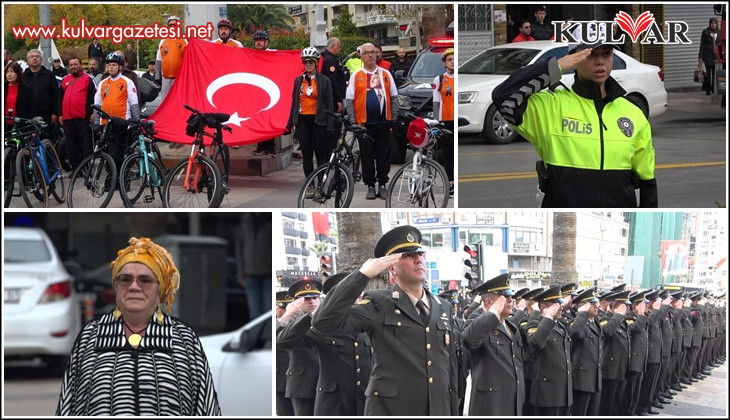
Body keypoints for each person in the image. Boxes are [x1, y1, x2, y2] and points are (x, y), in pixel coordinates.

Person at [493, 25, 658, 207]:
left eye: (607, 53)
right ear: (574, 57)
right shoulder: (551, 106)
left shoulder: (632, 112)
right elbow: (504, 97)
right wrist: (555, 67)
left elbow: (647, 178)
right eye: (592, 54)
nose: (600, 61)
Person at [55, 237, 221, 415]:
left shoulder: (184, 338)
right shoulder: (90, 336)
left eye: (145, 280)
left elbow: (206, 407)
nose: (134, 286)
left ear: (161, 289)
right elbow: (67, 405)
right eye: (125, 279)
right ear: (116, 287)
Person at [312, 225, 459, 416]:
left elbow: (450, 366)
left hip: (438, 409)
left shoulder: (443, 306)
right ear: (392, 267)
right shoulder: (379, 302)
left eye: (420, 254)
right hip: (393, 409)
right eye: (407, 255)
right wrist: (362, 275)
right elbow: (324, 321)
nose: (418, 259)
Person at [277, 273, 372, 416]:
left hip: (361, 396)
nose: (312, 302)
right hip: (323, 395)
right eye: (350, 293)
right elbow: (283, 341)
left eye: (315, 297)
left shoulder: (369, 322)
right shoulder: (317, 327)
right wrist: (309, 317)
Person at [462, 273, 524, 416]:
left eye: (510, 296)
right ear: (489, 302)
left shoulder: (512, 328)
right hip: (490, 407)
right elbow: (468, 338)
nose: (510, 300)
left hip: (513, 404)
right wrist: (493, 312)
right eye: (504, 296)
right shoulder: (480, 324)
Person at [345, 42, 399, 200]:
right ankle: (370, 185)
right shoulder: (356, 76)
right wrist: (353, 122)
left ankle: (382, 184)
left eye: (373, 52)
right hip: (364, 124)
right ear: (361, 56)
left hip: (383, 123)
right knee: (367, 156)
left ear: (377, 54)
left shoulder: (385, 74)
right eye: (366, 53)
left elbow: (394, 97)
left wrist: (394, 118)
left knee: (384, 155)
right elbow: (349, 100)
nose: (370, 55)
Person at [286, 47, 334, 181]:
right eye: (305, 62)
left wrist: (330, 126)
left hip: (319, 121)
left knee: (320, 155)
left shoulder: (324, 80)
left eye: (311, 62)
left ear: (316, 63)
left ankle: (321, 184)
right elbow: (294, 103)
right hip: (302, 121)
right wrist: (290, 123)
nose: (308, 65)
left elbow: (330, 104)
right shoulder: (298, 81)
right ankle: (310, 185)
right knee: (306, 155)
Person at [524, 284, 572, 416]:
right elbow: (537, 342)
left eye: (560, 304)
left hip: (564, 392)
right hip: (547, 395)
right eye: (556, 305)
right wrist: (548, 316)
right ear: (543, 307)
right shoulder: (534, 324)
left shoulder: (561, 326)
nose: (561, 308)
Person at [277, 278, 322, 416]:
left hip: (329, 382)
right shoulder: (289, 323)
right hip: (304, 385)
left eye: (315, 297)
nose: (312, 301)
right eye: (306, 298)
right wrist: (287, 315)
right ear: (296, 302)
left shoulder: (328, 320)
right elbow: (278, 339)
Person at [94, 52, 140, 173]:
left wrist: (136, 120)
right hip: (106, 124)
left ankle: (124, 182)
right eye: (109, 65)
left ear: (120, 67)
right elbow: (97, 104)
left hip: (122, 123)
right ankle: (111, 184)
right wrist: (96, 123)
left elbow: (134, 103)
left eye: (114, 65)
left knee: (121, 154)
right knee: (108, 154)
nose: (111, 67)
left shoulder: (127, 82)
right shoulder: (103, 83)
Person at [568, 288, 604, 416]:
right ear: (584, 306)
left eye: (596, 304)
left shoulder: (595, 323)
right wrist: (581, 313)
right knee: (580, 413)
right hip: (582, 380)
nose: (596, 306)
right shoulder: (576, 323)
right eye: (592, 304)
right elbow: (576, 333)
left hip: (595, 379)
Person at [59, 57, 96, 170]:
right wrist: (60, 114)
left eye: (75, 64)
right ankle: (75, 169)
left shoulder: (88, 79)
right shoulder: (65, 80)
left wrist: (93, 113)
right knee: (71, 144)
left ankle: (86, 168)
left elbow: (94, 97)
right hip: (68, 118)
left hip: (83, 117)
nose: (73, 67)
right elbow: (60, 98)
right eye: (71, 65)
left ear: (80, 65)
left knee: (85, 144)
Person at [234, 213, 272, 321]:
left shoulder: (270, 221)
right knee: (254, 311)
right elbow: (239, 249)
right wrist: (240, 273)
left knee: (268, 310)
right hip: (249, 274)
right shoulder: (245, 221)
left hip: (268, 274)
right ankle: (258, 337)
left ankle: (268, 337)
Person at [598, 289, 630, 416]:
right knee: (608, 402)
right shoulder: (605, 318)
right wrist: (618, 315)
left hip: (621, 368)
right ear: (615, 306)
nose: (626, 308)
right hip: (610, 369)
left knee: (617, 401)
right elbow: (607, 331)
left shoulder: (620, 320)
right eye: (623, 306)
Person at [251, 30, 278, 156]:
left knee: (269, 120)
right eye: (256, 41)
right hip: (256, 92)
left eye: (261, 40)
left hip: (271, 91)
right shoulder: (250, 54)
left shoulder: (273, 54)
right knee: (258, 119)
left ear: (266, 42)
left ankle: (271, 147)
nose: (258, 43)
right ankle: (260, 146)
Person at [432, 47, 455, 197]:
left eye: (454, 59)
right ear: (444, 63)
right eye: (449, 59)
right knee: (448, 154)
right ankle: (450, 182)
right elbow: (436, 102)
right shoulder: (439, 79)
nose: (452, 62)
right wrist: (436, 123)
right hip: (445, 121)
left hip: (457, 120)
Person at [23, 49, 59, 137]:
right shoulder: (23, 76)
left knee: (46, 140)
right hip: (27, 115)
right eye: (32, 57)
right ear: (28, 60)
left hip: (46, 115)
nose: (35, 58)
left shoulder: (49, 75)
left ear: (41, 60)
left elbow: (56, 95)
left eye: (37, 56)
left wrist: (55, 113)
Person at [320, 37, 347, 151]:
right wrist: (338, 100)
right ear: (333, 46)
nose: (339, 49)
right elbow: (333, 82)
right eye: (339, 46)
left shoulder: (325, 57)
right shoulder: (330, 60)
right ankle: (333, 151)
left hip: (328, 99)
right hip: (332, 100)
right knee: (335, 126)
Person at [155, 16, 187, 104]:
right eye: (170, 25)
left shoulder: (184, 41)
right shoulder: (163, 41)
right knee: (165, 103)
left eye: (174, 24)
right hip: (166, 78)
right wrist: (157, 77)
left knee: (179, 102)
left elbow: (189, 61)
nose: (172, 26)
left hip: (179, 78)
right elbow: (158, 60)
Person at [275, 291, 295, 416]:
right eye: (282, 307)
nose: (286, 311)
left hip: (300, 379)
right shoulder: (275, 324)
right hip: (280, 380)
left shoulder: (298, 323)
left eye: (288, 307)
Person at [4, 62, 34, 130]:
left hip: (21, 126)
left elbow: (31, 110)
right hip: (4, 126)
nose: (9, 74)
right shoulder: (4, 88)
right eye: (7, 72)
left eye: (12, 71)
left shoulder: (27, 90)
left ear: (18, 73)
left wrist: (31, 128)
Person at [699, 17, 720, 95]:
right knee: (707, 74)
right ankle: (708, 89)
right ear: (710, 24)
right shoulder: (705, 32)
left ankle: (714, 89)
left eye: (715, 23)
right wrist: (700, 56)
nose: (713, 25)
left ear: (717, 24)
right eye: (712, 23)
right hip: (707, 56)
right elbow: (702, 45)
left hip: (716, 56)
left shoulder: (720, 32)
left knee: (715, 74)